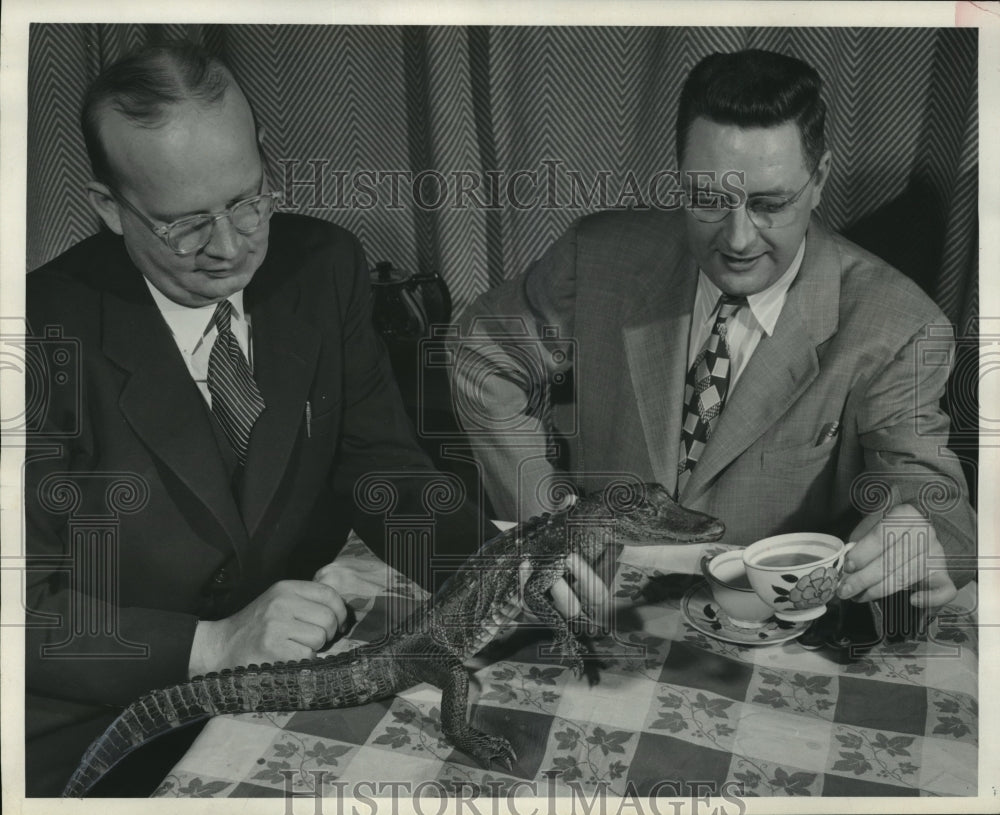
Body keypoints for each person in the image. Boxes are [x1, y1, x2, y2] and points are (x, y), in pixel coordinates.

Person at [23, 41, 600, 796]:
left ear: (264, 156)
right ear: (108, 207)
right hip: (94, 732)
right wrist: (209, 643)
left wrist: (496, 571)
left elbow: (380, 469)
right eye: (183, 225)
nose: (230, 247)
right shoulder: (35, 332)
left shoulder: (322, 265)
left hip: (280, 696)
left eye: (247, 198)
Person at [450, 50, 976, 619]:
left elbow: (929, 489)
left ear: (819, 180)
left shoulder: (899, 323)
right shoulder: (597, 257)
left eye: (770, 204)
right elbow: (480, 358)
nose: (738, 238)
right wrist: (546, 526)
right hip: (595, 609)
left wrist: (922, 528)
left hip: (766, 627)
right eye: (708, 199)